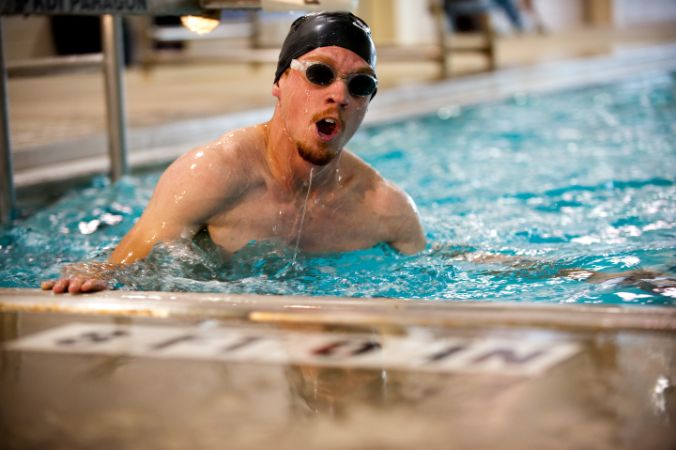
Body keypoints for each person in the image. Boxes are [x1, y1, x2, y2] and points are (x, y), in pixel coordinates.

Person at [41, 12, 427, 295]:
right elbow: (124, 264)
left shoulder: (384, 209)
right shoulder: (212, 174)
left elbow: (436, 276)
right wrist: (93, 276)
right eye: (319, 74)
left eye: (360, 85)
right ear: (280, 82)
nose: (339, 96)